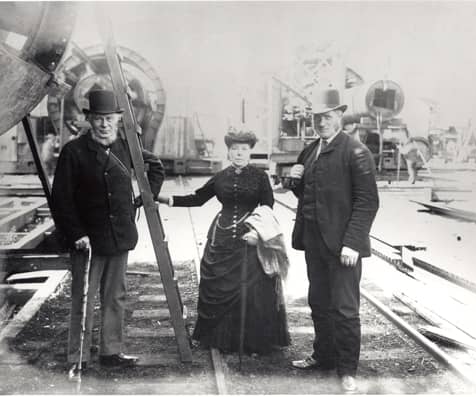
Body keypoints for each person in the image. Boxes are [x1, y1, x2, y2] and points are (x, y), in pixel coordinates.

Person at [51, 90, 165, 371]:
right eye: (98, 119)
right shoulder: (73, 151)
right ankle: (77, 356)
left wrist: (142, 199)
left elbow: (156, 167)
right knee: (84, 298)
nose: (103, 124)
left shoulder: (127, 148)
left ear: (117, 120)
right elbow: (61, 199)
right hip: (87, 242)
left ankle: (111, 352)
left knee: (116, 297)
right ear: (88, 120)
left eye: (109, 118)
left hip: (119, 237)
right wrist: (76, 233)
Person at [158, 129, 290, 354]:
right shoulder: (220, 177)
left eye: (244, 149)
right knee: (217, 286)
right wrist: (161, 198)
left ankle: (253, 342)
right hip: (221, 237)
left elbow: (267, 206)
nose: (239, 153)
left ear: (250, 152)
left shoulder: (260, 177)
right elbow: (198, 199)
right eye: (235, 149)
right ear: (228, 152)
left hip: (250, 238)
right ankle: (220, 339)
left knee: (253, 289)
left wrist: (258, 234)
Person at [288, 89, 379, 393]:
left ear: (339, 116)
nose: (321, 123)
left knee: (345, 309)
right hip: (314, 242)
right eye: (316, 118)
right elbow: (308, 194)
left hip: (343, 247)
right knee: (319, 303)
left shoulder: (356, 151)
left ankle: (347, 370)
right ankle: (323, 357)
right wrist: (295, 183)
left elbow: (367, 202)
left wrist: (353, 243)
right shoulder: (311, 150)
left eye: (326, 117)